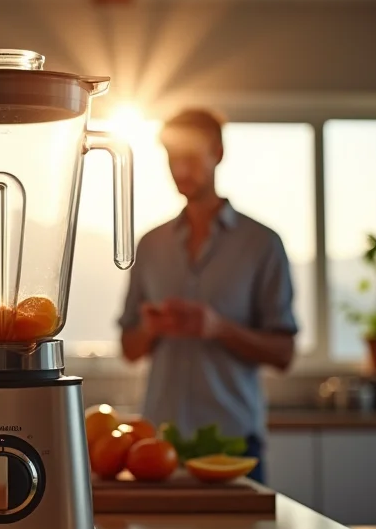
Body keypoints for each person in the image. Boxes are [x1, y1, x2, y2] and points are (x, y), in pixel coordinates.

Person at [118, 108, 298, 483]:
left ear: (217, 152)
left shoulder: (262, 244)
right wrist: (151, 329)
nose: (180, 170)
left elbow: (284, 354)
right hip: (157, 445)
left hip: (233, 443)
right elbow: (129, 349)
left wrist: (218, 328)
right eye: (171, 157)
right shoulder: (150, 245)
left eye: (189, 157)